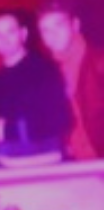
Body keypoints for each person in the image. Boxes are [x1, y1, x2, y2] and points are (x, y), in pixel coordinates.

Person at [0, 9, 74, 167]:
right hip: (3, 165)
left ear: (23, 34)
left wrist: (9, 130)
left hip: (43, 165)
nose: (3, 39)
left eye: (10, 32)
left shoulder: (44, 69)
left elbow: (61, 119)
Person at [36, 0, 104, 161]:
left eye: (59, 25)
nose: (52, 35)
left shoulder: (99, 63)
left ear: (75, 25)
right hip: (72, 163)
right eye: (45, 30)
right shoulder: (45, 72)